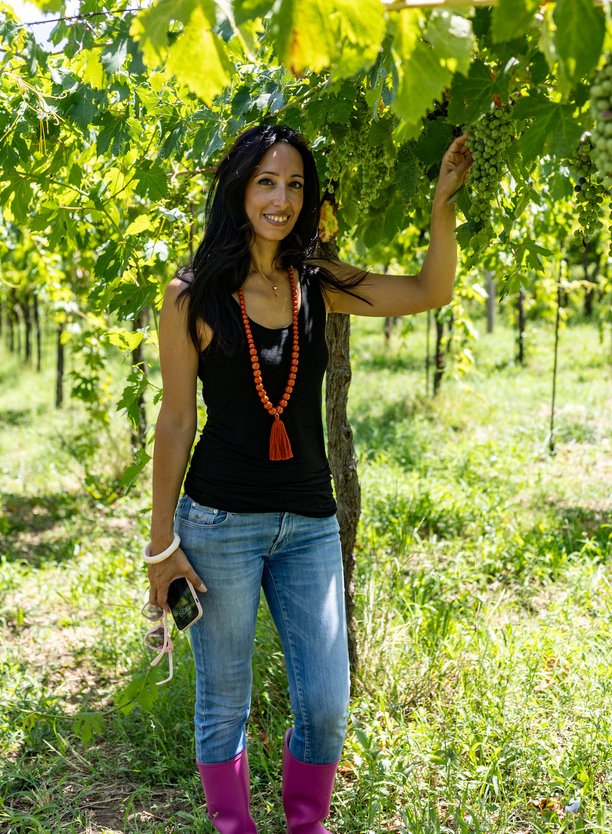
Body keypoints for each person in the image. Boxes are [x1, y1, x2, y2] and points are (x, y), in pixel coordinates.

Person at [145, 123, 473, 834]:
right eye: (266, 180)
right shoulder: (190, 295)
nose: (281, 199)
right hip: (217, 526)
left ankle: (305, 825)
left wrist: (442, 204)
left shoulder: (317, 283)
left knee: (325, 703)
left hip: (308, 526)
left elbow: (430, 288)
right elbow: (175, 423)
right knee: (222, 702)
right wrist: (159, 544)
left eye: (295, 185)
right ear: (239, 188)